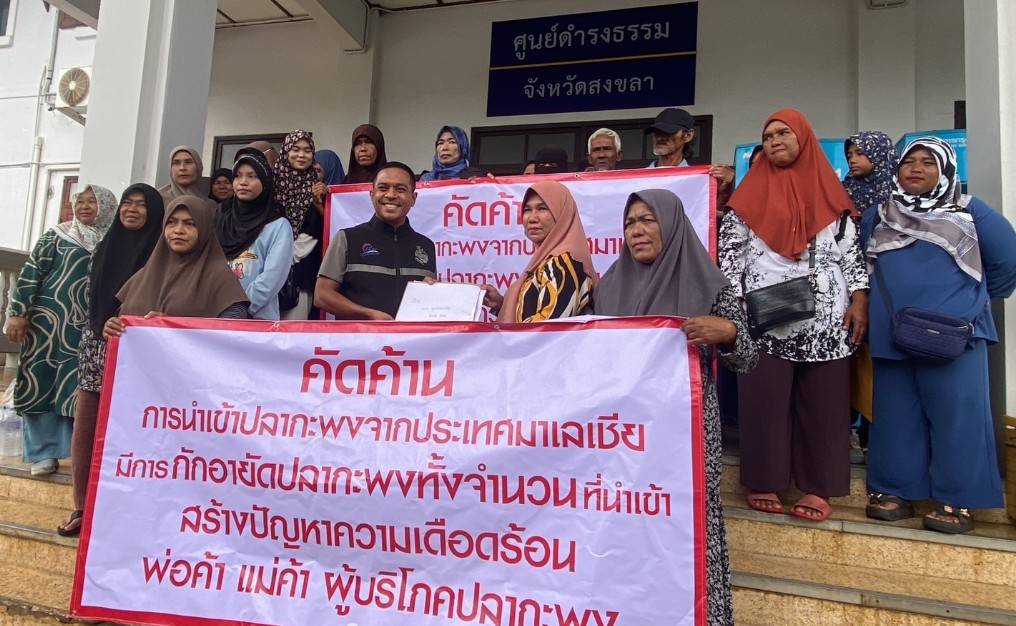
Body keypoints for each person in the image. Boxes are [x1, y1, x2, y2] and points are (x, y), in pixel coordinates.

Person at [595, 189, 757, 626]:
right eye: (629, 223)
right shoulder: (608, 287)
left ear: (672, 224)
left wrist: (729, 333)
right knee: (624, 529)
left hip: (685, 435)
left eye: (648, 220)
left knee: (688, 528)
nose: (637, 231)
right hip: (622, 438)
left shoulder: (709, 284)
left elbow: (747, 359)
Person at [720, 108, 867, 522]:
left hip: (826, 317)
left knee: (824, 406)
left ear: (803, 138)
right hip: (764, 316)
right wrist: (737, 306)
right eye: (768, 136)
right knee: (763, 402)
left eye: (784, 133)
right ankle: (764, 478)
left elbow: (851, 255)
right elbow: (729, 257)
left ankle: (818, 486)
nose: (775, 141)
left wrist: (860, 299)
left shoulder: (831, 195)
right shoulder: (745, 200)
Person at [862, 137, 1016, 534]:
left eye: (928, 162)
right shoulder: (878, 215)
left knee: (958, 418)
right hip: (893, 333)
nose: (916, 168)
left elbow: (1007, 263)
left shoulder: (970, 211)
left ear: (945, 169)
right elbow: (862, 266)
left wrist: (969, 301)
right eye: (908, 162)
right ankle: (895, 491)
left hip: (954, 336)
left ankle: (957, 500)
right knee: (895, 416)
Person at [58, 183, 165, 537]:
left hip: (140, 352)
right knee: (87, 427)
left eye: (141, 205)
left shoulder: (161, 255)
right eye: (127, 203)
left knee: (131, 429)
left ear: (154, 212)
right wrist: (99, 329)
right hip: (95, 345)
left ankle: (122, 510)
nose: (131, 210)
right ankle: (82, 506)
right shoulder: (105, 247)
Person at [4, 184, 116, 476]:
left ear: (106, 206)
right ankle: (43, 454)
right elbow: (31, 272)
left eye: (92, 201)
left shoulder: (115, 240)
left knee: (78, 386)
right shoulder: (58, 235)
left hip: (90, 330)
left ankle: (79, 453)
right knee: (41, 382)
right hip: (47, 328)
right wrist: (18, 313)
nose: (84, 206)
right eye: (80, 201)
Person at [105, 196, 250, 341]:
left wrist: (176, 328)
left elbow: (232, 337)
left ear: (205, 228)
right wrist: (112, 328)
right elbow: (121, 320)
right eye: (171, 222)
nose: (178, 230)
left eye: (190, 224)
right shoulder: (145, 275)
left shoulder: (219, 277)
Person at [315, 162, 436, 319]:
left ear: (413, 198)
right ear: (372, 195)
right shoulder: (347, 238)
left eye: (400, 189)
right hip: (358, 335)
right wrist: (369, 315)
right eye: (383, 188)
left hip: (408, 336)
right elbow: (322, 295)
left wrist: (436, 292)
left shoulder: (426, 246)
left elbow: (430, 304)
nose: (391, 195)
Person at [489, 181, 596, 322]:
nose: (532, 218)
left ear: (561, 214)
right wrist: (501, 305)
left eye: (542, 208)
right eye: (527, 210)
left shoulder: (562, 263)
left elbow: (546, 328)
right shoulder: (547, 261)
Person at [216, 147, 293, 321]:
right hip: (217, 317)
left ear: (265, 181)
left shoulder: (278, 225)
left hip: (257, 320)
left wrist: (242, 308)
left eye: (252, 176)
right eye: (238, 176)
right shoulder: (222, 218)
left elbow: (272, 278)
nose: (243, 182)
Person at [646, 107, 736, 208]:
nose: (659, 137)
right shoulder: (637, 180)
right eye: (656, 132)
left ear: (688, 135)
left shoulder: (701, 181)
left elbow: (707, 215)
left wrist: (726, 191)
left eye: (668, 132)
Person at [274, 130, 321, 320]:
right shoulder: (271, 186)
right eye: (295, 149)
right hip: (266, 270)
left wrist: (284, 257)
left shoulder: (317, 189)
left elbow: (315, 229)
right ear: (285, 151)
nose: (301, 155)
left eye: (307, 150)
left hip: (300, 273)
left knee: (292, 329)